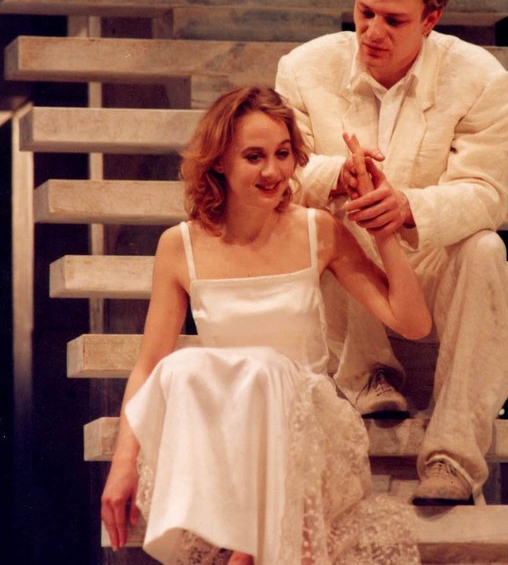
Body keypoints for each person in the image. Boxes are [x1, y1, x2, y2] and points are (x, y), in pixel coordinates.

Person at [100, 85, 429, 565]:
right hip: (226, 443)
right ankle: (248, 546)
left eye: (282, 154)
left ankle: (248, 550)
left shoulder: (319, 230)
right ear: (218, 162)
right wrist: (123, 464)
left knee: (268, 369)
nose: (273, 171)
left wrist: (383, 234)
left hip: (307, 430)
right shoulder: (180, 245)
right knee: (185, 368)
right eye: (254, 157)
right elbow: (150, 364)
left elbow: (412, 322)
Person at [275, 0, 508, 506]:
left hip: (424, 259)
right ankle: (367, 374)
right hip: (346, 262)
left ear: (431, 18)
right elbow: (283, 176)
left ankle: (453, 459)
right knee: (336, 213)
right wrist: (341, 177)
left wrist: (409, 206)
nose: (372, 32)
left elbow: (485, 193)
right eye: (364, 12)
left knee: (485, 248)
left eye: (393, 19)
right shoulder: (304, 68)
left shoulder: (482, 78)